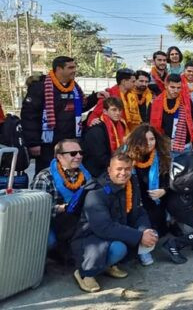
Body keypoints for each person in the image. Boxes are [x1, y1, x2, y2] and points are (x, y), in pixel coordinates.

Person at [71, 151, 157, 293]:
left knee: (151, 233)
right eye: (119, 169)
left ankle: (106, 265)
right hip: (90, 238)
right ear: (109, 170)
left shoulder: (132, 184)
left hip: (116, 229)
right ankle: (85, 272)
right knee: (119, 248)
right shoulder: (96, 193)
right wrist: (139, 236)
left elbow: (139, 211)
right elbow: (103, 227)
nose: (123, 173)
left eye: (127, 169)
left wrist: (145, 231)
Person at [21, 56, 100, 173]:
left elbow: (80, 107)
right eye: (70, 67)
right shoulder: (40, 87)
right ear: (59, 69)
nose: (74, 70)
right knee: (47, 175)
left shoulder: (74, 88)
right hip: (48, 145)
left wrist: (95, 98)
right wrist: (33, 143)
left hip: (70, 143)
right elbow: (29, 117)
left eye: (75, 67)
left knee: (70, 176)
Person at [30, 139, 92, 257]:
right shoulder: (44, 178)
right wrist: (62, 208)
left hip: (78, 221)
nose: (78, 156)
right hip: (51, 223)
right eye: (73, 153)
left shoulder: (86, 175)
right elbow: (36, 210)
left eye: (81, 153)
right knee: (50, 241)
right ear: (60, 157)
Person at [125, 124, 172, 242]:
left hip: (157, 197)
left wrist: (164, 190)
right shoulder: (128, 156)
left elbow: (168, 179)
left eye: (152, 139)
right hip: (136, 199)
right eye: (145, 140)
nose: (149, 143)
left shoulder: (161, 154)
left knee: (160, 230)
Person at [150, 74, 193, 155]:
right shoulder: (156, 103)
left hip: (185, 147)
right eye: (172, 87)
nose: (176, 90)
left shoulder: (186, 101)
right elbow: (153, 127)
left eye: (178, 88)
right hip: (165, 147)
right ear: (166, 86)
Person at [83, 97, 128, 177]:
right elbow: (100, 157)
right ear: (105, 111)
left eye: (120, 110)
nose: (118, 113)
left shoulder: (122, 124)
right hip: (97, 171)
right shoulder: (96, 129)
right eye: (114, 110)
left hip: (112, 165)